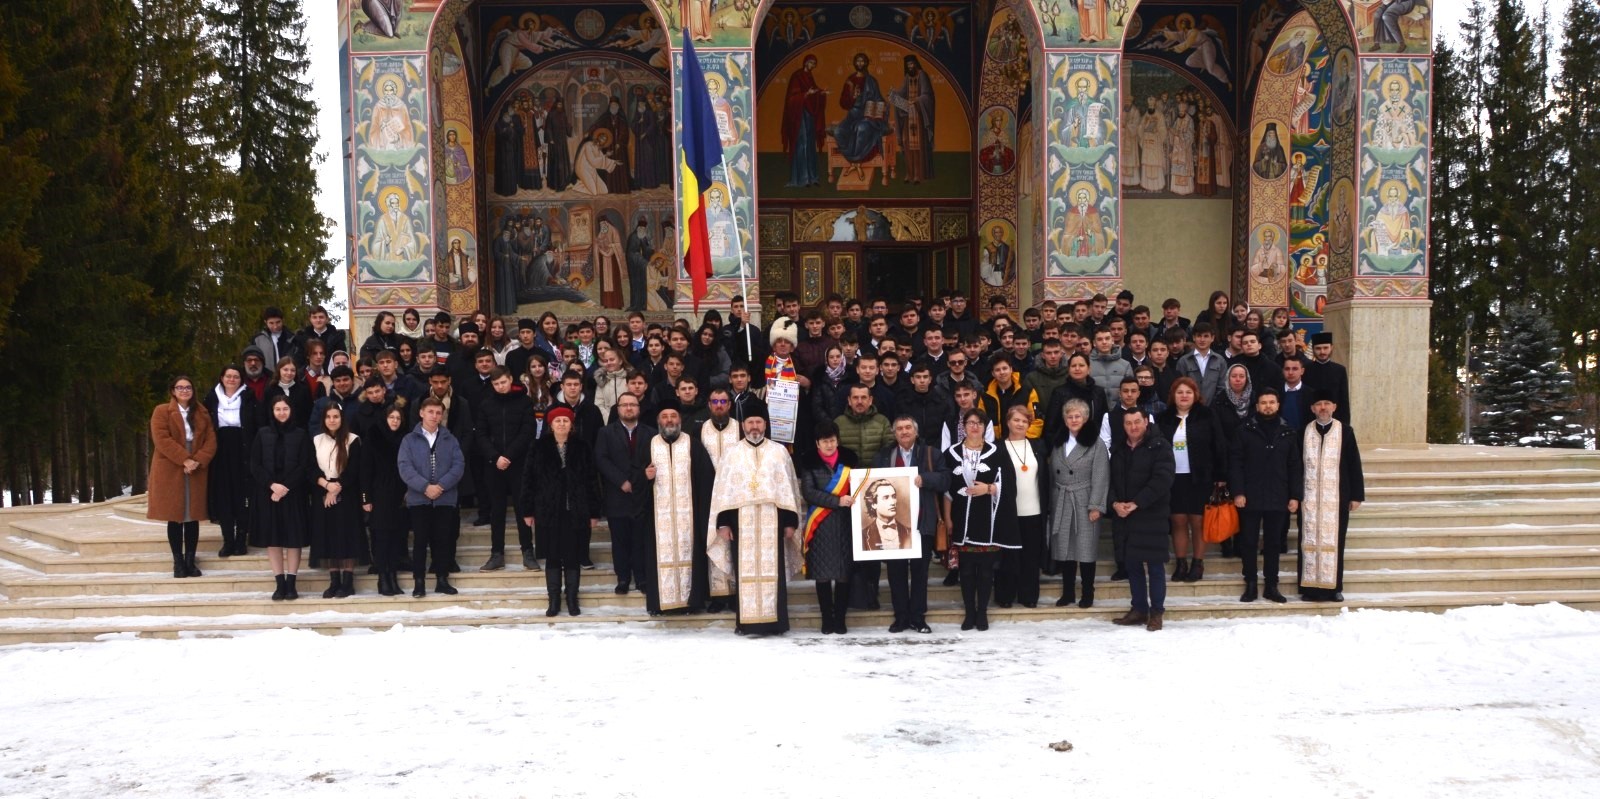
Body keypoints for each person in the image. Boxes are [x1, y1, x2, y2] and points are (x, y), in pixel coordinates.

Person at [708, 413, 804, 636]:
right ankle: (746, 623)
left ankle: (777, 623)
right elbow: (723, 491)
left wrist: (790, 523)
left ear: (765, 425)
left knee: (774, 573)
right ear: (743, 425)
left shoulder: (779, 452)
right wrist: (723, 524)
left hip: (773, 523)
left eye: (758, 422)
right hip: (741, 524)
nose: (754, 427)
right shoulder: (731, 454)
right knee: (745, 572)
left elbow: (789, 490)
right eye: (750, 422)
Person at [523, 406, 598, 616]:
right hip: (548, 510)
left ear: (571, 424)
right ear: (551, 424)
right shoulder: (539, 447)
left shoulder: (582, 447)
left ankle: (572, 599)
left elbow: (592, 481)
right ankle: (554, 600)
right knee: (553, 557)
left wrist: (594, 512)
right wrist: (528, 511)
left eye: (566, 421)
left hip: (576, 510)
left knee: (573, 556)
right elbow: (528, 480)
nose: (562, 424)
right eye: (558, 421)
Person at [946, 408, 1016, 631]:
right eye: (970, 423)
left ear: (985, 427)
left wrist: (989, 488)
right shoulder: (951, 453)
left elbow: (1010, 483)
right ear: (963, 426)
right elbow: (946, 491)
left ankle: (982, 613)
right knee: (965, 571)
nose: (974, 427)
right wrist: (947, 519)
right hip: (960, 519)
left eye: (979, 423)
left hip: (987, 520)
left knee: (986, 571)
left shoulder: (997, 451)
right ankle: (969, 613)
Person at [1230, 387, 1302, 604]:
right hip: (1250, 496)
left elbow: (1295, 466)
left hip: (1278, 496)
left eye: (1272, 402)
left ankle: (1272, 585)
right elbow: (1236, 464)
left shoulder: (1288, 432)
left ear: (1278, 405)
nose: (1268, 406)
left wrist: (1295, 496)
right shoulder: (1245, 430)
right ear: (1257, 405)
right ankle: (1250, 583)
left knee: (1273, 543)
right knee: (1249, 542)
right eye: (1264, 402)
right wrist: (1238, 492)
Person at [641, 407, 715, 615]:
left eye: (673, 416)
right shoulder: (649, 445)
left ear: (680, 420)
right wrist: (645, 477)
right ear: (658, 421)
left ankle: (692, 602)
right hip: (657, 519)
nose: (669, 420)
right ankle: (660, 604)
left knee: (691, 556)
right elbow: (635, 478)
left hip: (689, 518)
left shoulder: (693, 445)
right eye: (664, 417)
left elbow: (706, 480)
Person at [1108, 411, 1175, 631]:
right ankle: (1138, 609)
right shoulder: (1118, 449)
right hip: (1125, 516)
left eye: (1138, 422)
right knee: (1132, 565)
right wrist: (1115, 503)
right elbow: (1109, 481)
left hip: (1151, 514)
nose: (1133, 426)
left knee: (1155, 566)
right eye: (1128, 423)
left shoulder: (1160, 446)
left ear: (1146, 422)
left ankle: (1156, 612)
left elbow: (1163, 479)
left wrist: (1137, 503)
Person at [1155, 376, 1225, 584]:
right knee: (1178, 521)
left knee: (1197, 521)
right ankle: (1181, 562)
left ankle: (1197, 562)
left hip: (1201, 477)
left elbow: (1219, 445)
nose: (1184, 396)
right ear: (1173, 396)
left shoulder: (1207, 415)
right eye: (1179, 392)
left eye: (1188, 392)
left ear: (1195, 395)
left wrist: (1221, 476)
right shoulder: (1163, 418)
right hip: (1173, 479)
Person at [1299, 389, 1365, 603]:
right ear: (1312, 408)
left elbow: (1354, 463)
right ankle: (1308, 587)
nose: (1323, 408)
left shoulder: (1345, 431)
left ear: (1335, 407)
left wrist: (1356, 495)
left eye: (1327, 403)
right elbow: (1295, 466)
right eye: (1319, 404)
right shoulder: (1303, 432)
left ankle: (1334, 587)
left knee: (1335, 541)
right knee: (1307, 539)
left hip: (1337, 497)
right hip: (1308, 499)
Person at [148, 376, 217, 579]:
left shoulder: (202, 412)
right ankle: (178, 561)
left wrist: (197, 460)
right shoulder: (162, 411)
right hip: (171, 464)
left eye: (188, 387)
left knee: (192, 515)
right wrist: (184, 459)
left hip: (196, 464)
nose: (185, 391)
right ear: (173, 391)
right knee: (175, 515)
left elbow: (211, 440)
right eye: (180, 387)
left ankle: (190, 560)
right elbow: (161, 439)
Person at [796, 419, 860, 634]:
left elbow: (859, 487)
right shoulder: (809, 461)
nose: (829, 445)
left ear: (837, 440)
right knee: (822, 574)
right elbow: (808, 492)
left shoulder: (850, 459)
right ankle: (827, 619)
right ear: (817, 443)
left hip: (845, 523)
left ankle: (840, 618)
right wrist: (837, 501)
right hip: (820, 524)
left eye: (832, 440)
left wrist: (848, 501)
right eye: (825, 441)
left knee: (843, 574)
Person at [397, 397, 465, 598]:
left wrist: (441, 486)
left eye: (438, 412)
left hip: (445, 498)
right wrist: (425, 487)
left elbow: (458, 465)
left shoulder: (450, 439)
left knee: (442, 539)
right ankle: (419, 581)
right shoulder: (409, 439)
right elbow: (404, 467)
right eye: (431, 412)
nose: (434, 416)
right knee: (420, 541)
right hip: (419, 499)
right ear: (421, 413)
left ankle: (442, 580)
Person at [1048, 399, 1109, 608]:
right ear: (1065, 420)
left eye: (1077, 416)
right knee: (1065, 548)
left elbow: (1101, 475)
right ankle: (1067, 593)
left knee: (1085, 548)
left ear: (1085, 419)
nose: (1073, 420)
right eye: (1070, 416)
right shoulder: (1058, 442)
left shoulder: (1096, 443)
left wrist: (1096, 506)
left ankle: (1087, 593)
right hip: (1062, 498)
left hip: (1084, 499)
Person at [475, 368, 537, 571]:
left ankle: (528, 551)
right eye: (496, 384)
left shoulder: (524, 401)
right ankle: (497, 553)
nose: (500, 386)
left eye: (503, 382)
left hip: (519, 463)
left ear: (510, 379)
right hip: (494, 464)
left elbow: (527, 431)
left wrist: (509, 455)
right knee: (497, 510)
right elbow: (481, 435)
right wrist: (495, 457)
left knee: (522, 508)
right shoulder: (485, 404)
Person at [250, 396, 311, 600]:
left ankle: (292, 582)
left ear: (291, 410)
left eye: (285, 409)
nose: (282, 413)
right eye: (278, 409)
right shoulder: (262, 433)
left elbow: (304, 465)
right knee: (273, 539)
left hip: (293, 493)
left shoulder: (301, 434)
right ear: (272, 411)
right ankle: (279, 583)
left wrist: (285, 487)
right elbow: (255, 464)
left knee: (293, 540)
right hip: (268, 493)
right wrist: (272, 485)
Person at [596, 393, 655, 596]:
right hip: (617, 494)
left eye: (633, 405)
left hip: (642, 496)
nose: (629, 408)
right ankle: (622, 578)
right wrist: (621, 481)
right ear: (618, 408)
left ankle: (641, 578)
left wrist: (638, 480)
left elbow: (653, 462)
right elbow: (602, 459)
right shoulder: (606, 432)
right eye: (624, 405)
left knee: (640, 539)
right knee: (620, 540)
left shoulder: (651, 433)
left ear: (639, 408)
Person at [994, 406, 1051, 609]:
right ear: (1008, 422)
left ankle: (1029, 596)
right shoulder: (997, 448)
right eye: (1016, 420)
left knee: (1031, 556)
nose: (1020, 424)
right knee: (1009, 556)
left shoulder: (1037, 445)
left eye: (1024, 421)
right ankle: (1005, 595)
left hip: (1034, 510)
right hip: (1009, 511)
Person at [309, 406, 366, 599]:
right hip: (323, 493)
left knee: (347, 535)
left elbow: (355, 469)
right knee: (328, 536)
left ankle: (348, 582)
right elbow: (310, 467)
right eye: (328, 417)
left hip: (347, 494)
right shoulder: (316, 440)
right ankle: (334, 581)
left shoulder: (353, 440)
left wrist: (337, 487)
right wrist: (326, 485)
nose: (332, 420)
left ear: (342, 419)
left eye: (336, 417)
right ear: (323, 419)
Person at [203, 365, 259, 557]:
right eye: (228, 376)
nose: (232, 379)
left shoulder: (249, 397)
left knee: (242, 496)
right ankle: (228, 540)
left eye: (236, 376)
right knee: (224, 497)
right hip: (220, 452)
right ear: (222, 378)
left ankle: (241, 540)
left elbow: (256, 424)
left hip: (243, 451)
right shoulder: (211, 398)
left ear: (241, 380)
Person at [361, 400, 410, 596]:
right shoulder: (374, 436)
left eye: (398, 418)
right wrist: (365, 498)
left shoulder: (406, 438)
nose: (395, 421)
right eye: (392, 417)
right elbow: (365, 469)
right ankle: (383, 577)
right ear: (385, 418)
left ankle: (393, 576)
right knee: (380, 536)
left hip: (400, 494)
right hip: (378, 493)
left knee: (397, 536)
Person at [1303, 332, 1352, 425]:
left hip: (1335, 421)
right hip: (1310, 422)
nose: (1322, 352)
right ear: (1313, 349)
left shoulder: (1340, 370)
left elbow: (1344, 401)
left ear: (1331, 348)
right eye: (1318, 348)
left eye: (1325, 348)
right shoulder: (1306, 370)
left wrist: (1345, 426)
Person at [262, 357, 313, 429]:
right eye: (285, 370)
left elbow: (309, 412)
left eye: (292, 370)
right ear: (279, 370)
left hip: (299, 432)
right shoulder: (270, 390)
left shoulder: (303, 389)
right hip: (275, 432)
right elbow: (265, 414)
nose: (289, 373)